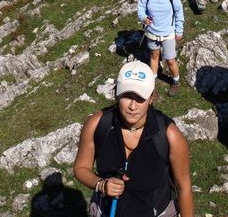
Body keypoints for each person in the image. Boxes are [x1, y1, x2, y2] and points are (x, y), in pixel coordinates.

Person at [73, 61, 194, 217]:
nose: (132, 106)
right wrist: (101, 185)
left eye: (140, 98)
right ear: (116, 93)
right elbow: (80, 168)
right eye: (126, 95)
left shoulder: (169, 135)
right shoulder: (97, 124)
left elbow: (184, 187)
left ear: (152, 97)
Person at [137, 0, 184, 96]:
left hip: (168, 32)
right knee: (154, 56)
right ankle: (151, 84)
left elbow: (179, 11)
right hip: (151, 31)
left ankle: (175, 82)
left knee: (170, 60)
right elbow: (141, 7)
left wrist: (179, 30)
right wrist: (143, 18)